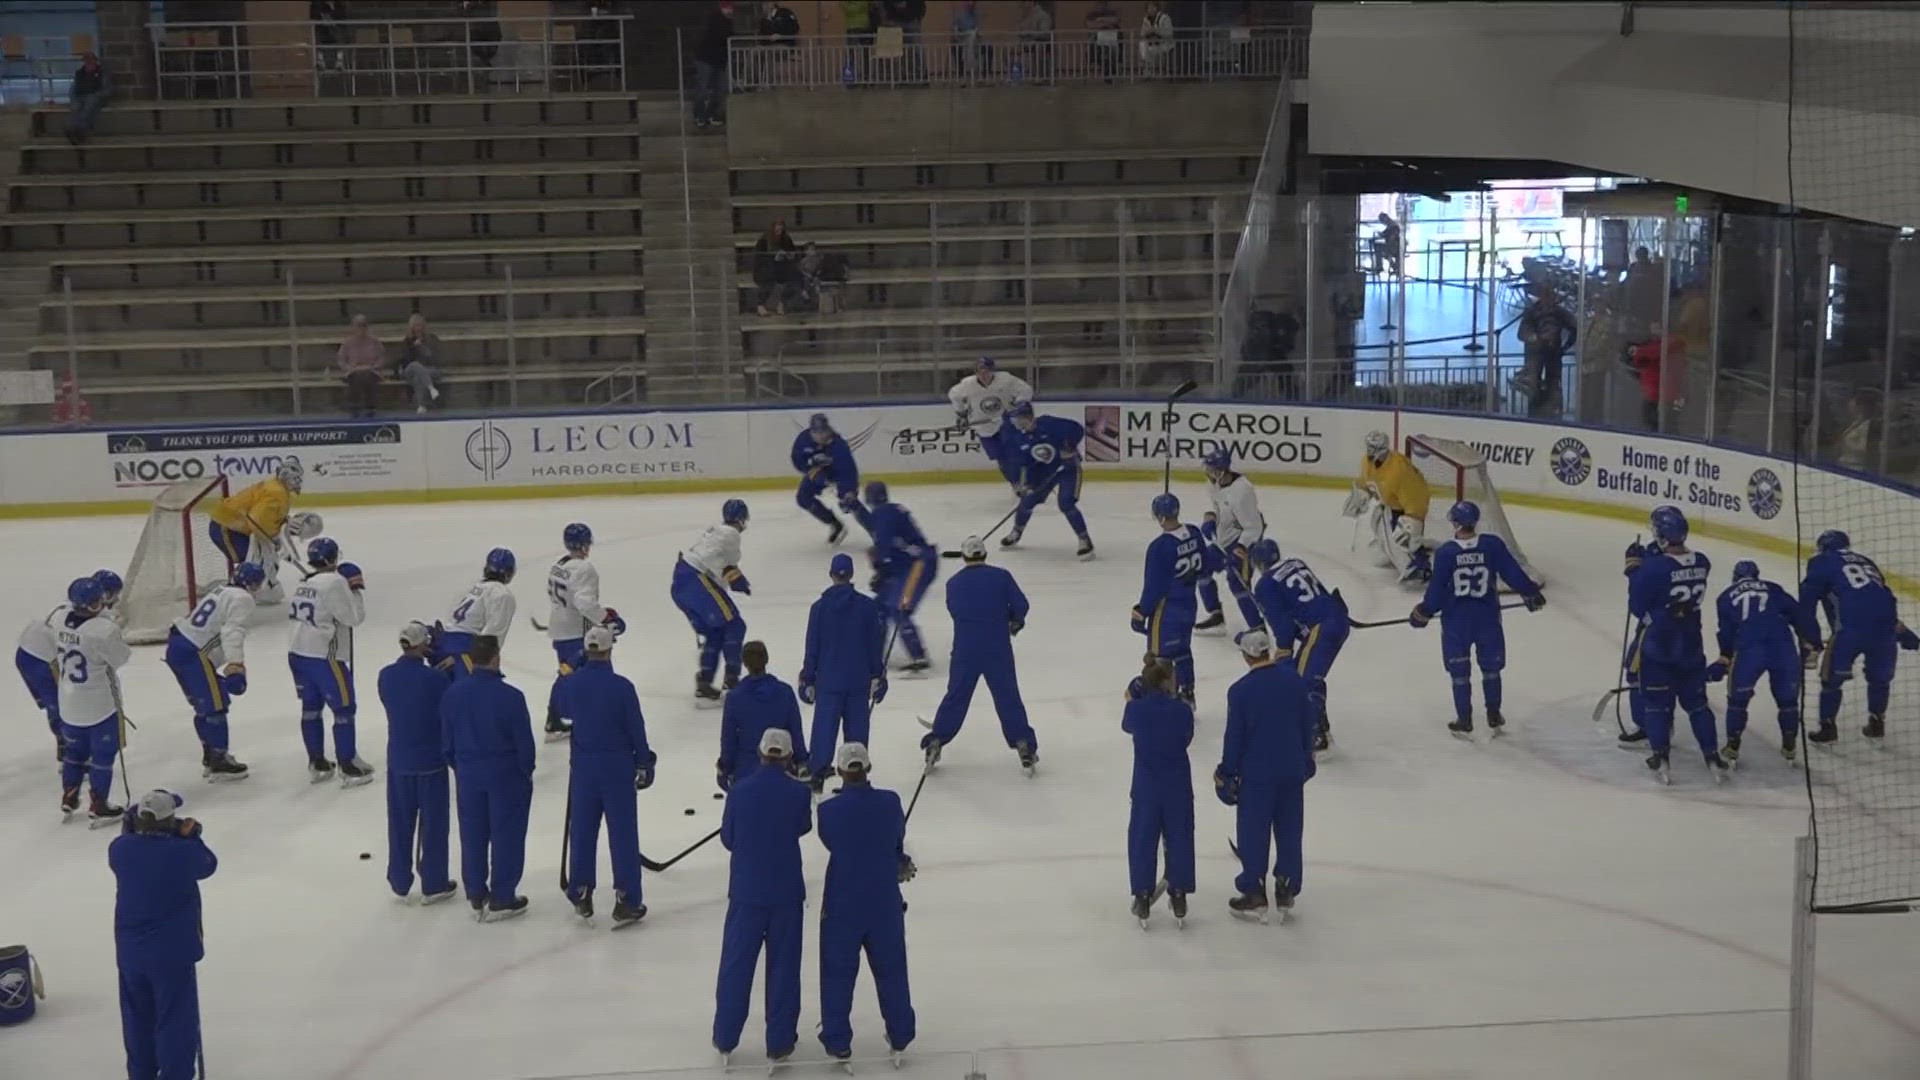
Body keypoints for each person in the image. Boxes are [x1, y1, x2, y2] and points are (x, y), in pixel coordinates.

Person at [713, 728, 813, 1068]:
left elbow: (728, 838)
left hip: (746, 891)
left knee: (736, 966)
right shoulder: (798, 793)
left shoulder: (739, 792)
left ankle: (726, 1036)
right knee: (784, 968)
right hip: (785, 892)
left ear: (760, 754)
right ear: (787, 757)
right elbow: (803, 828)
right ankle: (780, 1042)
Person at [1409, 502, 1547, 740]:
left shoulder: (1446, 553)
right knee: (1491, 669)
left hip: (1457, 623)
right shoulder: (1492, 545)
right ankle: (1494, 713)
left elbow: (1438, 591)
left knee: (1459, 672)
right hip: (1488, 619)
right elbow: (1512, 572)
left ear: (1455, 523)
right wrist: (1530, 592)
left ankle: (1465, 720)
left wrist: (1423, 612)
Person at [816, 742, 916, 1065]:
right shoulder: (890, 803)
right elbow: (896, 839)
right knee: (892, 970)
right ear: (868, 768)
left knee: (837, 973)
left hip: (843, 905)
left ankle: (838, 1040)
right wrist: (897, 857)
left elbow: (832, 840)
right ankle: (900, 1033)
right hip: (883, 902)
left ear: (841, 771)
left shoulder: (828, 811)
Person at [110, 790, 217, 1080]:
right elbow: (208, 865)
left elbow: (129, 836)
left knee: (137, 1024)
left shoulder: (120, 849)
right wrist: (192, 836)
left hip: (131, 954)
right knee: (175, 1023)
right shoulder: (183, 853)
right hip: (172, 954)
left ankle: (141, 1074)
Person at [1214, 628, 1315, 922]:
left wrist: (1226, 773)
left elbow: (1235, 737)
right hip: (1291, 769)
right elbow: (1307, 722)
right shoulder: (1294, 682)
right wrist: (1306, 758)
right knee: (1289, 830)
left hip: (1257, 775)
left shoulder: (1240, 691)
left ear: (1246, 655)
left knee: (1253, 832)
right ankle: (1286, 886)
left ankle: (1254, 890)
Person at [558, 625, 655, 927]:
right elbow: (636, 729)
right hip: (617, 767)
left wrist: (572, 666)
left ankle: (580, 890)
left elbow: (560, 709)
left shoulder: (571, 685)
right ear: (610, 650)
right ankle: (626, 899)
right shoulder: (622, 687)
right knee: (623, 834)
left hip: (584, 768)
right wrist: (645, 762)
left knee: (583, 831)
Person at [1624, 506, 1725, 784]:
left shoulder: (1653, 569)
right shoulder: (1702, 562)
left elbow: (1637, 606)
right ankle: (1712, 755)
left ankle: (1661, 756)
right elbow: (1678, 570)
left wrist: (1633, 568)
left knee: (1656, 704)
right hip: (1691, 644)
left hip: (1660, 646)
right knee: (1697, 704)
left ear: (1660, 534)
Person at [441, 634, 536, 921]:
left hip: (469, 773)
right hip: (505, 774)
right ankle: (503, 895)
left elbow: (447, 742)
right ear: (495, 657)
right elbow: (525, 745)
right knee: (506, 834)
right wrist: (525, 772)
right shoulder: (511, 697)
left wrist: (460, 767)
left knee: (473, 834)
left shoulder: (453, 693)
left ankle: (475, 892)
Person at [921, 537, 1036, 772]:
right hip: (997, 648)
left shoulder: (954, 583)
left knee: (956, 696)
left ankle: (936, 740)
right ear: (984, 554)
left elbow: (954, 610)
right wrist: (1014, 623)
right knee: (1007, 697)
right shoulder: (1001, 577)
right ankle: (1023, 743)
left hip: (966, 649)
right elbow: (1021, 605)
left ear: (964, 557)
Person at [1799, 530, 1920, 745]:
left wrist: (1811, 640)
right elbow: (1879, 598)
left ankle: (1828, 729)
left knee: (1831, 680)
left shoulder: (1820, 561)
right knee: (1880, 679)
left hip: (1849, 630)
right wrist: (1902, 632)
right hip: (1885, 630)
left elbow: (1807, 604)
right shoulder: (1867, 562)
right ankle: (1876, 724)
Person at [164, 563, 264, 783]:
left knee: (204, 706)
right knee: (216, 704)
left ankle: (210, 755)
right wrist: (235, 665)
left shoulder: (220, 590)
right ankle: (219, 760)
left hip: (177, 645)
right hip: (194, 653)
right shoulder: (242, 599)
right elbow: (232, 631)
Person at [379, 621, 457, 904]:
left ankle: (399, 879)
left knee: (399, 822)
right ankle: (434, 881)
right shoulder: (435, 680)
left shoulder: (385, 676)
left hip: (399, 760)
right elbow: (447, 703)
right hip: (431, 760)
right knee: (434, 824)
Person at [1248, 539, 1349, 752]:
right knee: (1311, 676)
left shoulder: (1265, 585)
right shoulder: (1296, 563)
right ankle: (1319, 727)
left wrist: (1284, 649)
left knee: (1299, 682)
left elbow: (1281, 622)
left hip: (1320, 628)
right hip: (1336, 618)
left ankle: (1314, 736)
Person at [287, 538, 373, 785]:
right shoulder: (335, 582)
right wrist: (355, 589)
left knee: (311, 709)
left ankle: (318, 763)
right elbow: (353, 618)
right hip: (325, 658)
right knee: (344, 709)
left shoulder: (305, 582)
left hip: (297, 653)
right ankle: (348, 765)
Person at [1709, 562, 1810, 767]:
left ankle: (1732, 745)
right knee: (1788, 703)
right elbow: (1799, 614)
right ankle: (1790, 745)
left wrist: (1725, 656)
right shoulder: (1773, 588)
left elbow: (1726, 631)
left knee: (1737, 701)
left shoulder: (1726, 596)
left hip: (1750, 650)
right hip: (1783, 647)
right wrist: (1811, 641)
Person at [799, 555, 887, 790]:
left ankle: (817, 775)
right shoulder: (867, 608)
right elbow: (874, 645)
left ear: (831, 574)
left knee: (824, 731)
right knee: (857, 732)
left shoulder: (819, 609)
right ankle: (856, 776)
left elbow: (812, 646)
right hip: (858, 681)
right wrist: (878, 676)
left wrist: (807, 677)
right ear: (851, 575)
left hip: (828, 681)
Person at [1122, 658, 1194, 928]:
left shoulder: (1136, 712)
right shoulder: (1182, 712)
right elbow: (1186, 738)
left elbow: (1126, 722)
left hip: (1146, 785)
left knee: (1142, 837)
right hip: (1177, 784)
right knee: (1179, 836)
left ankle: (1142, 894)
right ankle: (1179, 893)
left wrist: (1134, 695)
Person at [56, 576, 130, 825]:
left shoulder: (58, 618)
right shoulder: (102, 630)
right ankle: (99, 805)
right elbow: (121, 657)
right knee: (103, 756)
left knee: (74, 753)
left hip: (68, 703)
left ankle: (69, 796)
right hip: (99, 704)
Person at [1134, 494, 1221, 706]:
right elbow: (1206, 565)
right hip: (1189, 604)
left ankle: (1162, 700)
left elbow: (1154, 585)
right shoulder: (1193, 532)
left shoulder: (1159, 547)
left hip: (1166, 609)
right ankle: (1187, 693)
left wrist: (1142, 611)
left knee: (1159, 654)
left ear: (1160, 516)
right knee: (1182, 650)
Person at [545, 522, 623, 741]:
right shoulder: (584, 568)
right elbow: (584, 603)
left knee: (567, 673)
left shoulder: (559, 564)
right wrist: (607, 619)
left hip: (560, 628)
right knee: (591, 674)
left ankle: (555, 719)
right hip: (576, 632)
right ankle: (589, 720)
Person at [672, 499, 753, 704]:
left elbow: (719, 564)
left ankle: (705, 684)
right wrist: (739, 580)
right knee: (735, 625)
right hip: (696, 580)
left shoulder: (714, 531)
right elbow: (729, 567)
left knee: (715, 631)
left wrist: (735, 578)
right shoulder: (731, 534)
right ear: (742, 519)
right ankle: (732, 682)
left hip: (682, 580)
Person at [206, 458, 309, 603]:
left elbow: (265, 518)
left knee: (262, 559)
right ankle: (227, 594)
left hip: (234, 527)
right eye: (295, 478)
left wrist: (279, 533)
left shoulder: (278, 488)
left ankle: (247, 588)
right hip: (226, 528)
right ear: (286, 477)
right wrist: (273, 540)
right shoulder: (276, 492)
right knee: (252, 564)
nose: (298, 481)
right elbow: (257, 520)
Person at [1000, 402, 1094, 559]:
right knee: (1027, 501)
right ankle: (1017, 531)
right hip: (1043, 473)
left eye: (1017, 418)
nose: (1015, 422)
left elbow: (1077, 429)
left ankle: (1084, 540)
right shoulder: (1019, 438)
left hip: (1067, 469)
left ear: (1027, 417)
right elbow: (1025, 463)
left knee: (1066, 503)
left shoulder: (1049, 423)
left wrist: (1069, 448)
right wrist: (1025, 484)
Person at [866, 482, 937, 675]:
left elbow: (885, 545)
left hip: (918, 565)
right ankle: (873, 656)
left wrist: (881, 568)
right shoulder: (890, 511)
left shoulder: (882, 514)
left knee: (900, 608)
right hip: (906, 566)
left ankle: (919, 656)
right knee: (879, 608)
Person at [1343, 429, 1431, 584]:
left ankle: (1418, 566)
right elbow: (1367, 481)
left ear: (1382, 449)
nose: (1369, 451)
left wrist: (1412, 519)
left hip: (1407, 509)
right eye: (1368, 446)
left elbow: (1417, 497)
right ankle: (1404, 553)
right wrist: (1361, 494)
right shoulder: (1367, 461)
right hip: (1390, 506)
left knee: (1398, 532)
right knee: (1378, 556)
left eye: (1372, 448)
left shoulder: (1399, 469)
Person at [718, 640, 809, 790]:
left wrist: (725, 769)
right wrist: (801, 761)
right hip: (782, 767)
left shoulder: (735, 698)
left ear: (744, 663)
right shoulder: (785, 692)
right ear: (766, 660)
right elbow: (796, 732)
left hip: (746, 771)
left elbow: (729, 739)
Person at [1197, 448, 1266, 633]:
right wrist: (1210, 519)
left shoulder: (1242, 491)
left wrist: (1241, 548)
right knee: (1202, 568)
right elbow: (1216, 508)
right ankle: (1216, 614)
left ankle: (1258, 628)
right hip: (1222, 541)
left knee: (1238, 584)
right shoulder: (1214, 484)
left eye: (1211, 469)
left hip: (1244, 543)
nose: (1208, 472)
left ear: (1221, 471)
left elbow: (1255, 526)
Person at [948, 357, 1033, 492]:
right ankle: (1016, 483)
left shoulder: (1006, 380)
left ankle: (1027, 481)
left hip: (1007, 423)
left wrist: (1020, 404)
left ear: (992, 370)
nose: (983, 374)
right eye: (980, 371)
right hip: (984, 426)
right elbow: (954, 395)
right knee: (1001, 458)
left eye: (986, 370)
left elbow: (1026, 390)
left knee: (1014, 453)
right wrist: (961, 414)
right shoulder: (967, 384)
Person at [791, 412, 873, 543]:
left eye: (823, 431)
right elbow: (797, 461)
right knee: (803, 498)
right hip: (816, 472)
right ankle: (834, 524)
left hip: (838, 473)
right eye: (816, 432)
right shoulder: (803, 440)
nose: (820, 435)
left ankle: (875, 531)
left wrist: (849, 490)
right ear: (811, 431)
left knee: (849, 501)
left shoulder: (839, 445)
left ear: (828, 430)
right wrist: (810, 465)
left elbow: (848, 470)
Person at [436, 548, 518, 670]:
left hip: (445, 644)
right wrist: (484, 659)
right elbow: (493, 633)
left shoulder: (473, 588)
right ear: (509, 572)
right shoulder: (501, 594)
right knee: (475, 686)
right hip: (465, 650)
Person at [18, 585, 73, 763]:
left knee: (57, 705)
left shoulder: (69, 605)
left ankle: (66, 747)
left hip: (25, 653)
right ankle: (69, 755)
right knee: (63, 705)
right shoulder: (74, 618)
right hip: (40, 660)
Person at [693, 1, 734, 129]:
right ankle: (700, 116)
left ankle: (710, 115)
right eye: (728, 8)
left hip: (718, 60)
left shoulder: (726, 21)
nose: (730, 11)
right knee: (703, 88)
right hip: (706, 58)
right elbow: (722, 35)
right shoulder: (715, 19)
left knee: (720, 89)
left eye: (731, 8)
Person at [337, 314, 386, 418]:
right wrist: (349, 368)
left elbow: (381, 358)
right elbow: (341, 360)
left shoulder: (375, 342)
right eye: (358, 325)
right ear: (353, 327)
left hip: (372, 370)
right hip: (353, 371)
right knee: (356, 377)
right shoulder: (347, 343)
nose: (361, 328)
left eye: (363, 325)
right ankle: (354, 407)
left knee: (368, 376)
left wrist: (373, 367)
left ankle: (370, 407)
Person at [396, 314, 447, 414]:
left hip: (430, 369)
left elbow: (435, 359)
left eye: (420, 325)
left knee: (419, 377)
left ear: (424, 326)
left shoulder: (432, 339)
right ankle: (431, 388)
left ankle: (421, 405)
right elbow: (405, 361)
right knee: (415, 365)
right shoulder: (407, 341)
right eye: (416, 326)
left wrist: (422, 348)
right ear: (411, 328)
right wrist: (413, 348)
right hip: (410, 370)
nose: (418, 328)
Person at [752, 221, 800, 316]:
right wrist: (773, 257)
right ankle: (760, 305)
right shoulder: (764, 239)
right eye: (778, 228)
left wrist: (789, 255)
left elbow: (793, 252)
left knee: (796, 279)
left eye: (781, 228)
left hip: (782, 267)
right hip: (765, 268)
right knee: (769, 277)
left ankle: (782, 303)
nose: (779, 230)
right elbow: (759, 258)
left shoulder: (786, 238)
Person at [65, 53, 110, 146]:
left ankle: (76, 130)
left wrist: (97, 95)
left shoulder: (102, 73)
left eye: (91, 61)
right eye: (87, 61)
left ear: (95, 61)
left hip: (96, 97)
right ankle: (79, 133)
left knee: (89, 105)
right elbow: (73, 88)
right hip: (81, 96)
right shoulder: (79, 73)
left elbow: (107, 89)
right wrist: (74, 100)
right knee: (76, 108)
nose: (89, 63)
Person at [459, 0, 502, 87]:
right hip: (476, 31)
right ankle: (484, 63)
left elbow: (490, 10)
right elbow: (463, 13)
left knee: (492, 42)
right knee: (474, 43)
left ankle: (485, 63)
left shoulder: (487, 7)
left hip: (488, 29)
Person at [1086, 0, 1124, 80]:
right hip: (1097, 41)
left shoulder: (1111, 13)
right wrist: (1106, 24)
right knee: (1097, 52)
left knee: (1114, 53)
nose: (1101, 6)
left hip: (1112, 39)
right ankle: (1105, 70)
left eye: (1103, 4)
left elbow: (1116, 20)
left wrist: (1100, 19)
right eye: (1099, 4)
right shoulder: (1092, 14)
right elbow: (1090, 25)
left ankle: (1113, 68)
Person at [1138, 1, 1174, 69]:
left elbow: (1169, 33)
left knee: (1148, 51)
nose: (1149, 10)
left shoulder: (1165, 18)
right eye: (1148, 8)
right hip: (1152, 44)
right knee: (1142, 44)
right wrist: (1147, 33)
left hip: (1164, 44)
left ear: (1156, 8)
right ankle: (1147, 68)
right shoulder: (1146, 19)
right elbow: (1142, 33)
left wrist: (1155, 30)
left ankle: (1148, 67)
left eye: (1151, 8)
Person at [1370, 212, 1402, 277]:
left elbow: (1389, 237)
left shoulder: (1393, 226)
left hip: (1394, 247)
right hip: (1395, 247)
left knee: (1378, 248)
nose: (1382, 222)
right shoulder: (1392, 225)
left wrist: (1382, 235)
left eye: (1382, 220)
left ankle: (1379, 267)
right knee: (1383, 252)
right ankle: (1394, 267)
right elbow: (1386, 234)